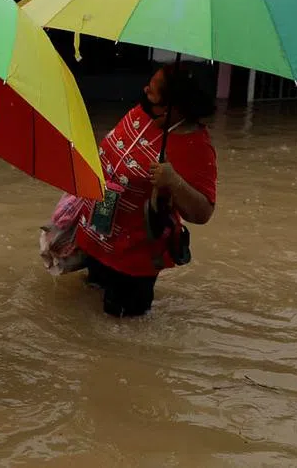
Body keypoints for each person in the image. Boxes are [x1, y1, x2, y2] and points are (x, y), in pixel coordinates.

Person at [56, 62, 218, 318]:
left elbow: (203, 212)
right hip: (97, 236)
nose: (145, 91)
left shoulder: (196, 147)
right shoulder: (143, 112)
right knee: (86, 308)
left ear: (175, 106)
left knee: (120, 328)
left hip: (133, 259)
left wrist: (174, 181)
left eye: (153, 91)